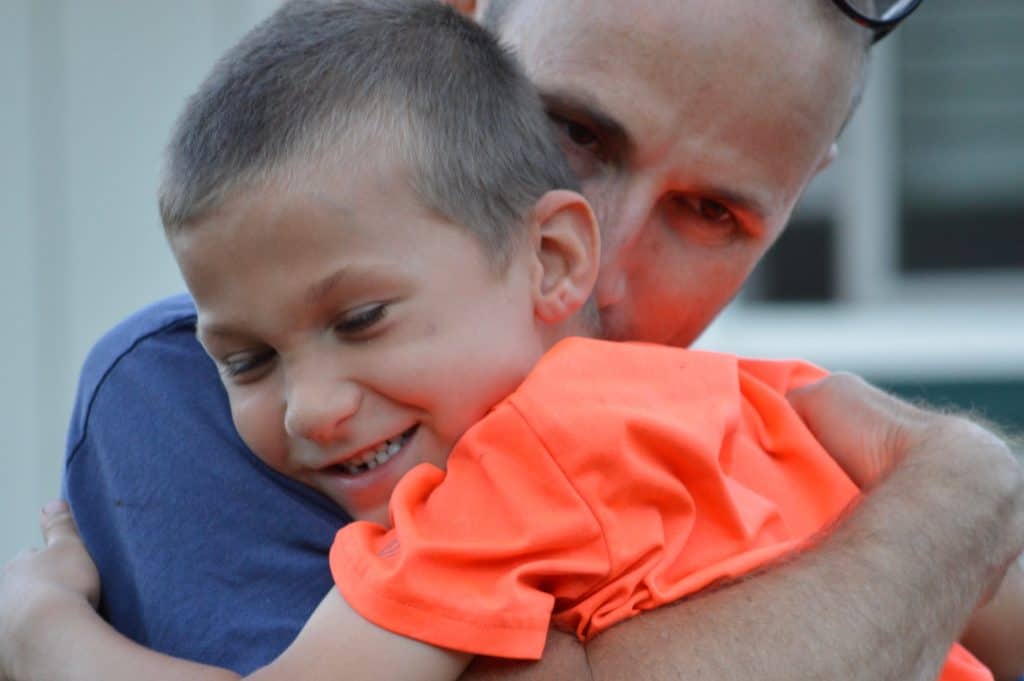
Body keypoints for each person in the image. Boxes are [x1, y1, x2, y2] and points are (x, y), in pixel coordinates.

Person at [9, 0, 1024, 679]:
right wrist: (949, 507)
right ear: (461, 18)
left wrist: (42, 632)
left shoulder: (723, 418)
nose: (603, 274)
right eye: (572, 134)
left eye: (711, 213)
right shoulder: (180, 398)